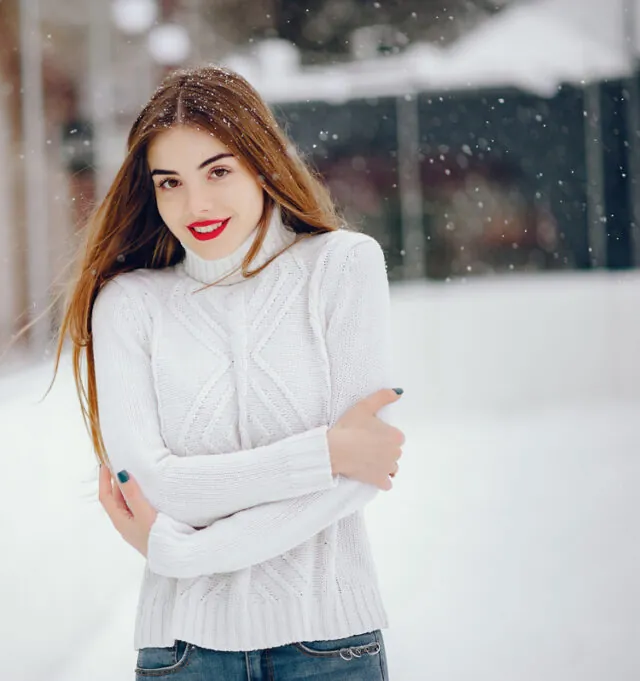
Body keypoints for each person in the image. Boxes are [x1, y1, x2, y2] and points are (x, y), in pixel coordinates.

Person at [53, 65, 405, 681]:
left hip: (331, 647)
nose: (196, 205)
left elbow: (364, 472)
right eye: (170, 182)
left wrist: (180, 550)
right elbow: (155, 488)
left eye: (218, 171)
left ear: (262, 162)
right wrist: (324, 452)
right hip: (183, 653)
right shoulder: (129, 303)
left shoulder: (342, 267)